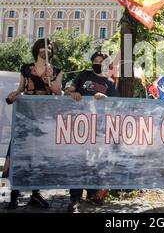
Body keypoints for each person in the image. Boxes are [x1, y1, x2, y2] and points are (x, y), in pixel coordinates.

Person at [3, 38, 63, 209]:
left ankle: (35, 194)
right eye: (45, 46)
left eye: (50, 46)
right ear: (37, 49)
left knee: (39, 155)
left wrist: (51, 76)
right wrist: (14, 94)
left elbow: (57, 91)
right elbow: (21, 88)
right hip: (25, 116)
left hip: (44, 117)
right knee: (17, 153)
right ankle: (11, 196)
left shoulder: (57, 70)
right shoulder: (26, 68)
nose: (48, 48)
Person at [65, 51, 119, 213]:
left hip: (98, 127)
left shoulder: (109, 82)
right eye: (95, 61)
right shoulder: (84, 75)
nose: (97, 63)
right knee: (79, 160)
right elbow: (69, 89)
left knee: (94, 159)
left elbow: (116, 104)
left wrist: (104, 97)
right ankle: (74, 198)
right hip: (80, 125)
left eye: (100, 61)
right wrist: (72, 92)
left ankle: (92, 193)